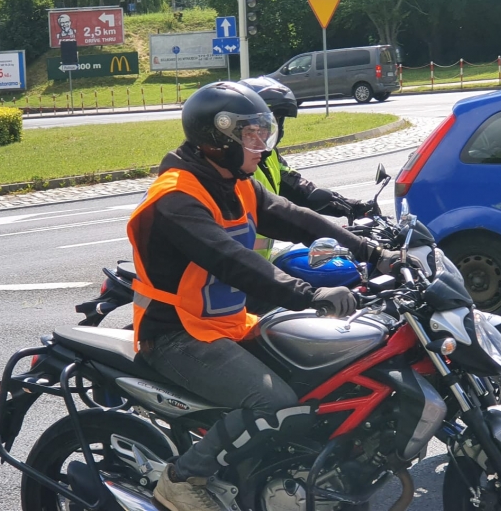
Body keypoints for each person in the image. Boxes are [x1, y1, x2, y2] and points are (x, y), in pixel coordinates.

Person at [126, 81, 397, 511]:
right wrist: (311, 294)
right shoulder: (176, 196)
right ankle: (182, 479)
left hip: (229, 324)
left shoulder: (234, 182)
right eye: (250, 134)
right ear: (217, 139)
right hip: (177, 335)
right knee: (272, 403)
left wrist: (375, 254)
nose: (262, 144)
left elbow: (297, 219)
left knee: (321, 376)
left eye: (262, 131)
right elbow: (232, 260)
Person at [238, 76, 374, 259]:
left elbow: (298, 188)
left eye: (278, 120)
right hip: (236, 269)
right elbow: (290, 220)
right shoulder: (235, 169)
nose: (273, 128)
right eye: (267, 122)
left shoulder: (269, 157)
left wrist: (349, 205)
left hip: (258, 264)